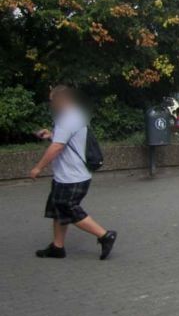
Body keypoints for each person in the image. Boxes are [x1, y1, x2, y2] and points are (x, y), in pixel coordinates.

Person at [29, 85, 117, 260]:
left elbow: (58, 147)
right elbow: (66, 139)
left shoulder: (68, 119)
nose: (51, 104)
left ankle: (105, 235)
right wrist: (51, 134)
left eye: (52, 100)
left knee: (68, 209)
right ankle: (57, 246)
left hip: (72, 176)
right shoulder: (74, 115)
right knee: (57, 209)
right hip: (68, 175)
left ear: (62, 99)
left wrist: (38, 167)